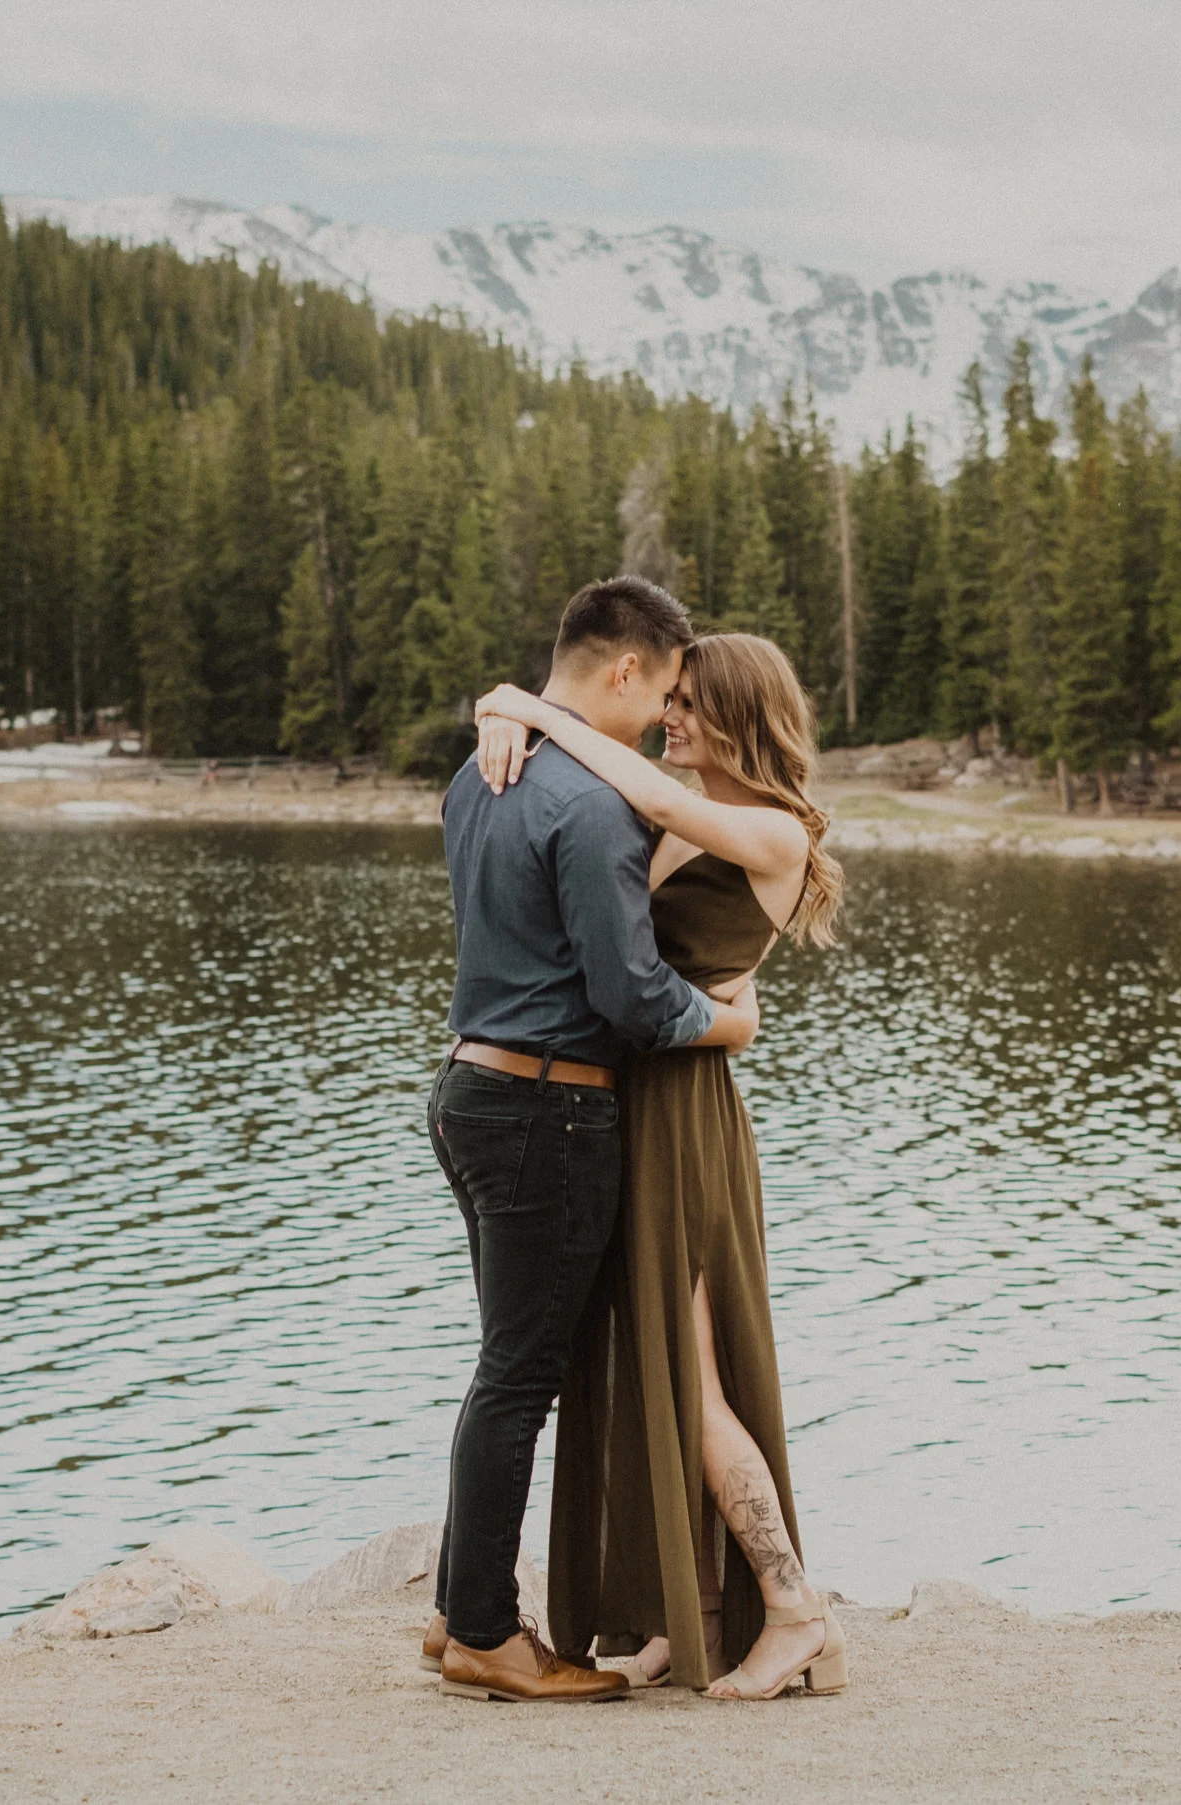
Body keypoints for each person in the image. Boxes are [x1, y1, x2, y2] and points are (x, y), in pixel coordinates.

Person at [469, 631, 850, 1700]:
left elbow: (646, 795)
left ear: (737, 715)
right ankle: (701, 1612)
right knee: (643, 1366)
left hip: (683, 1119)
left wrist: (533, 710)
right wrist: (504, 711)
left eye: (687, 703)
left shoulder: (769, 829)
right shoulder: (677, 811)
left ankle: (794, 1609)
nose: (668, 717)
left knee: (693, 1377)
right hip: (625, 1102)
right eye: (668, 699)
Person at [424, 577, 762, 1705]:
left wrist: (506, 705)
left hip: (467, 1089)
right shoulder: (595, 802)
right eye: (663, 691)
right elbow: (629, 993)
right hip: (548, 1108)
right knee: (520, 1372)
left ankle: (456, 1608)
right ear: (624, 670)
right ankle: (483, 1631)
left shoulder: (480, 772)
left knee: (503, 1361)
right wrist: (726, 1021)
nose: (665, 715)